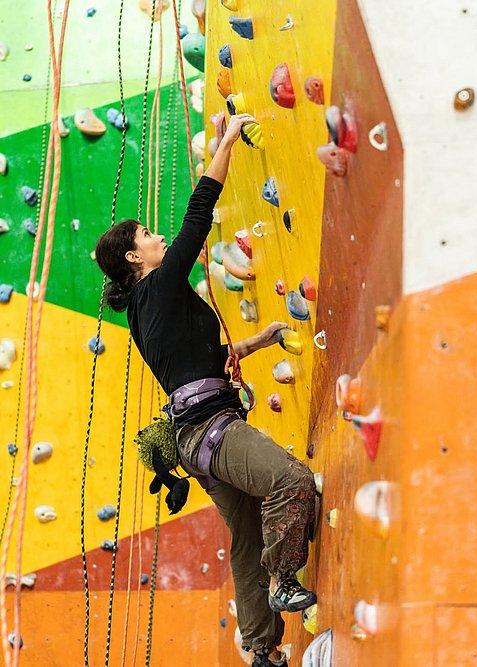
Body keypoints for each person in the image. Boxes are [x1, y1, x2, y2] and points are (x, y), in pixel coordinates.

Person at [95, 113, 318, 666]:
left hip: (196, 441)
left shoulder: (147, 311)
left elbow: (203, 362)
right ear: (135, 258)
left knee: (245, 539)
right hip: (211, 432)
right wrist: (227, 140)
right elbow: (199, 213)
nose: (157, 238)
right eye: (147, 236)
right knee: (290, 479)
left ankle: (262, 650)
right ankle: (283, 579)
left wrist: (259, 341)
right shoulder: (158, 286)